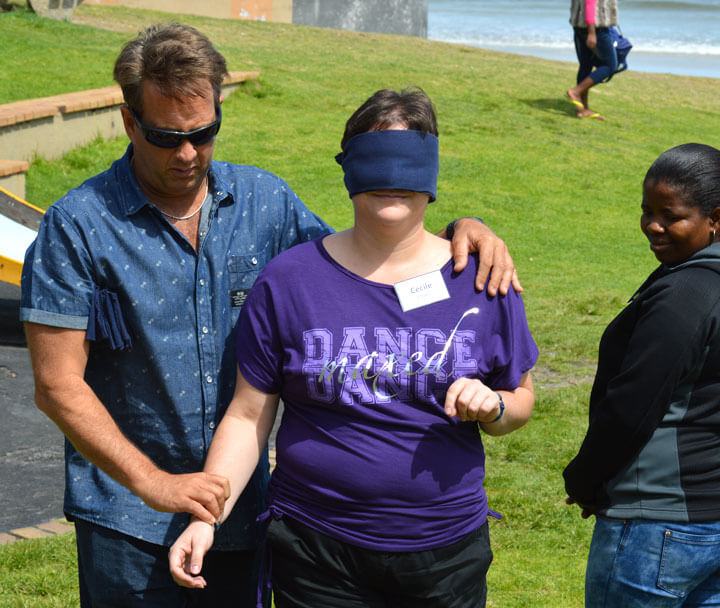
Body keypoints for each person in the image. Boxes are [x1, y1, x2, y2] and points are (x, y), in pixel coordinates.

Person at [20, 24, 521, 608]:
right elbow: (57, 385)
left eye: (203, 133)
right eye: (166, 137)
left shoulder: (265, 203)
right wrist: (153, 483)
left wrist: (459, 232)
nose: (188, 153)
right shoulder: (77, 226)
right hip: (127, 518)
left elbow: (364, 266)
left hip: (243, 510)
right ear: (130, 122)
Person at [168, 87, 538, 608]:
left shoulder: (482, 281)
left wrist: (494, 406)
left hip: (444, 550)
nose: (392, 179)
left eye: (407, 161)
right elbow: (248, 416)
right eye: (376, 159)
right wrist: (205, 517)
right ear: (349, 168)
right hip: (316, 548)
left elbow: (520, 399)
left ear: (431, 171)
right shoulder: (288, 281)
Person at [564, 143, 720, 607]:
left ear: (715, 217)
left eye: (671, 216)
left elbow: (633, 407)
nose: (653, 225)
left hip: (658, 523)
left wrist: (586, 482)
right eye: (647, 211)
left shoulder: (686, 294)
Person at [566, 0, 619, 120]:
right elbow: (590, 2)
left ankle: (583, 109)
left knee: (586, 65)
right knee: (610, 65)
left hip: (579, 26)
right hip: (595, 27)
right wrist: (592, 32)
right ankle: (576, 92)